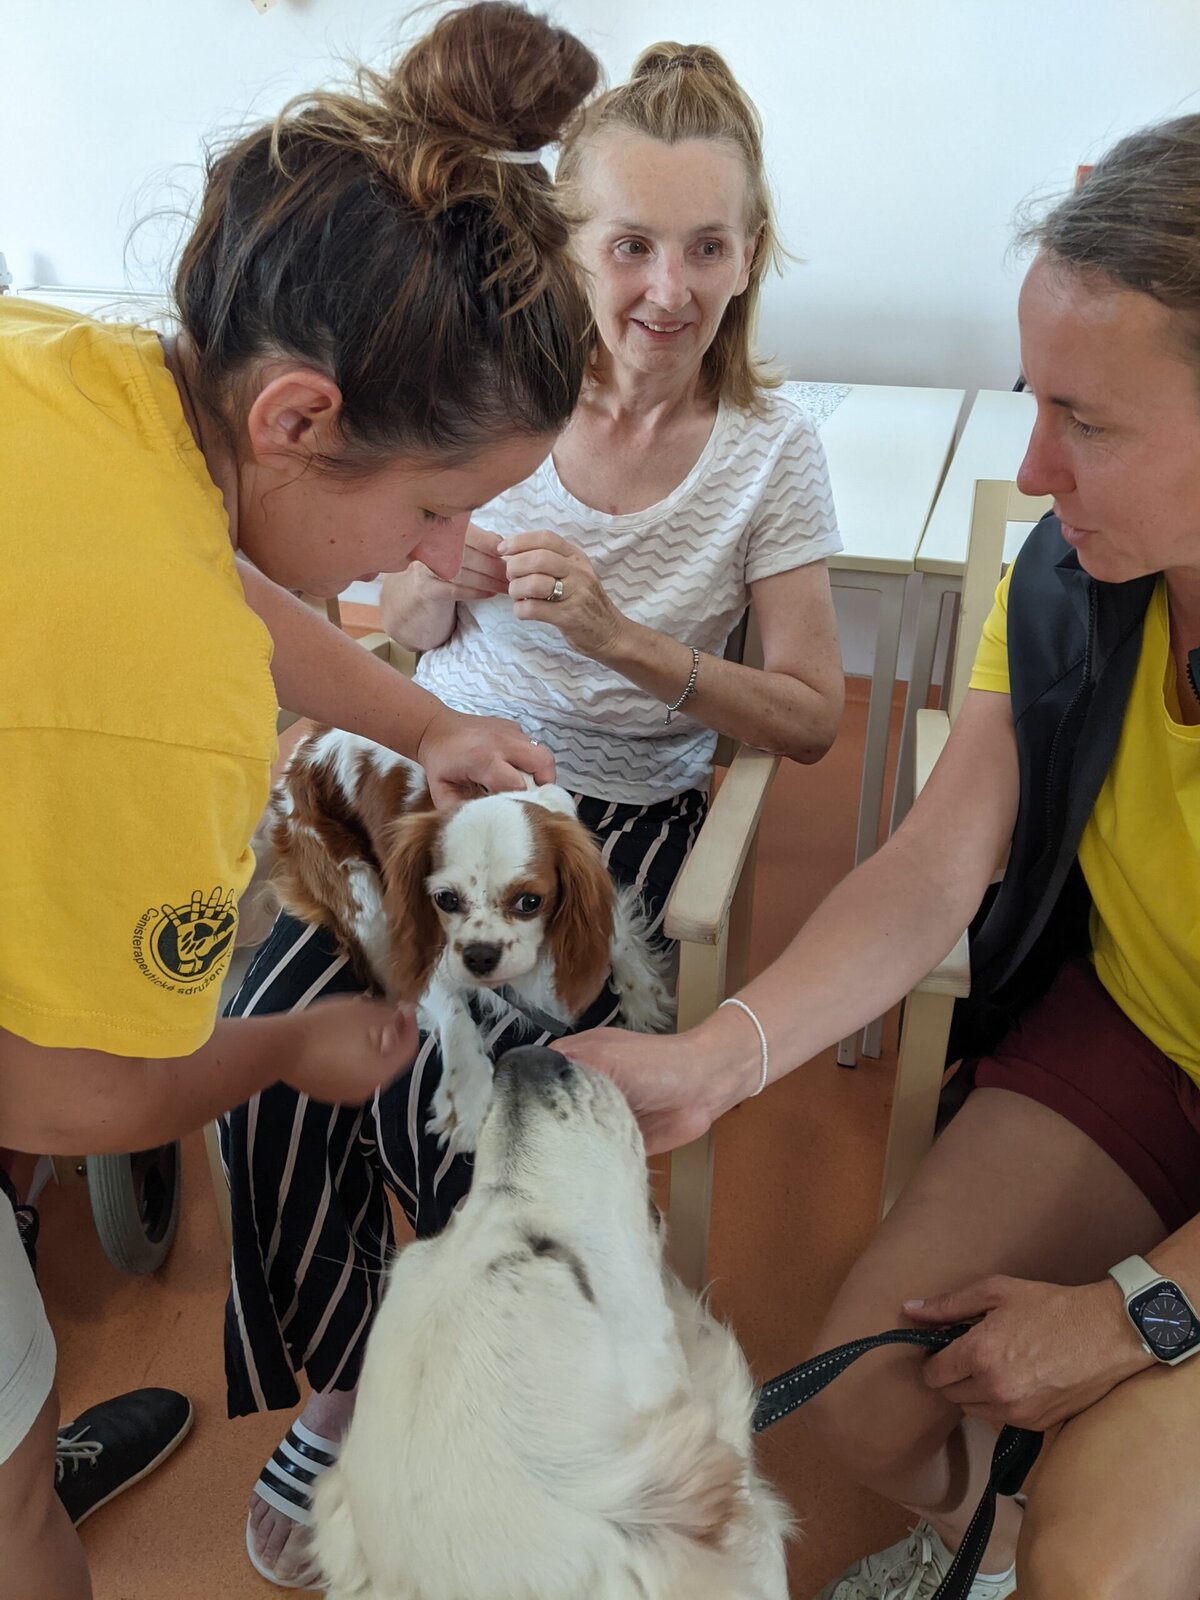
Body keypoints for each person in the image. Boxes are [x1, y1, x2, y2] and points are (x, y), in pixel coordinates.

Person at [221, 40, 844, 1586]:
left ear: (751, 255)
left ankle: (518, 1409)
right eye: (630, 245)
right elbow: (389, 614)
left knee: (485, 1078)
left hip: (612, 815)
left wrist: (629, 641)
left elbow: (814, 716)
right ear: (568, 245)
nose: (667, 290)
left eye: (708, 247)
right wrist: (438, 591)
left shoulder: (771, 452)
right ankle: (352, 1380)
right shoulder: (496, 402)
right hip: (442, 775)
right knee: (266, 1036)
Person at [0, 4, 602, 1594]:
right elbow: (61, 1098)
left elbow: (212, 570)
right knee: (9, 1516)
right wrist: (288, 1052)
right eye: (436, 507)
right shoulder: (175, 701)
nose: (442, 555)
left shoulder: (80, 367)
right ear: (297, 418)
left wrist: (428, 720)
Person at [568, 114, 1200, 1600]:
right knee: (866, 1398)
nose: (1034, 469)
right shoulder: (1076, 581)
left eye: (1088, 423)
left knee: (1107, 1558)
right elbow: (932, 865)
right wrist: (719, 1057)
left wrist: (1140, 1313)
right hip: (1143, 1036)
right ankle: (995, 1548)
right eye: (1034, 403)